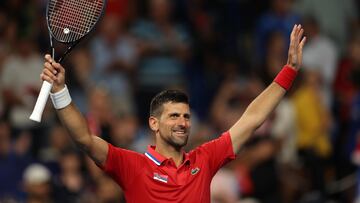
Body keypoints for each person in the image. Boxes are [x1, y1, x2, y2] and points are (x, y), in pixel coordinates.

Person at [40, 25, 305, 202]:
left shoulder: (204, 160)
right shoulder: (133, 166)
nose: (183, 123)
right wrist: (61, 90)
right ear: (153, 123)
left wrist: (289, 71)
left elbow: (251, 119)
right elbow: (85, 139)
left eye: (186, 116)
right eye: (174, 116)